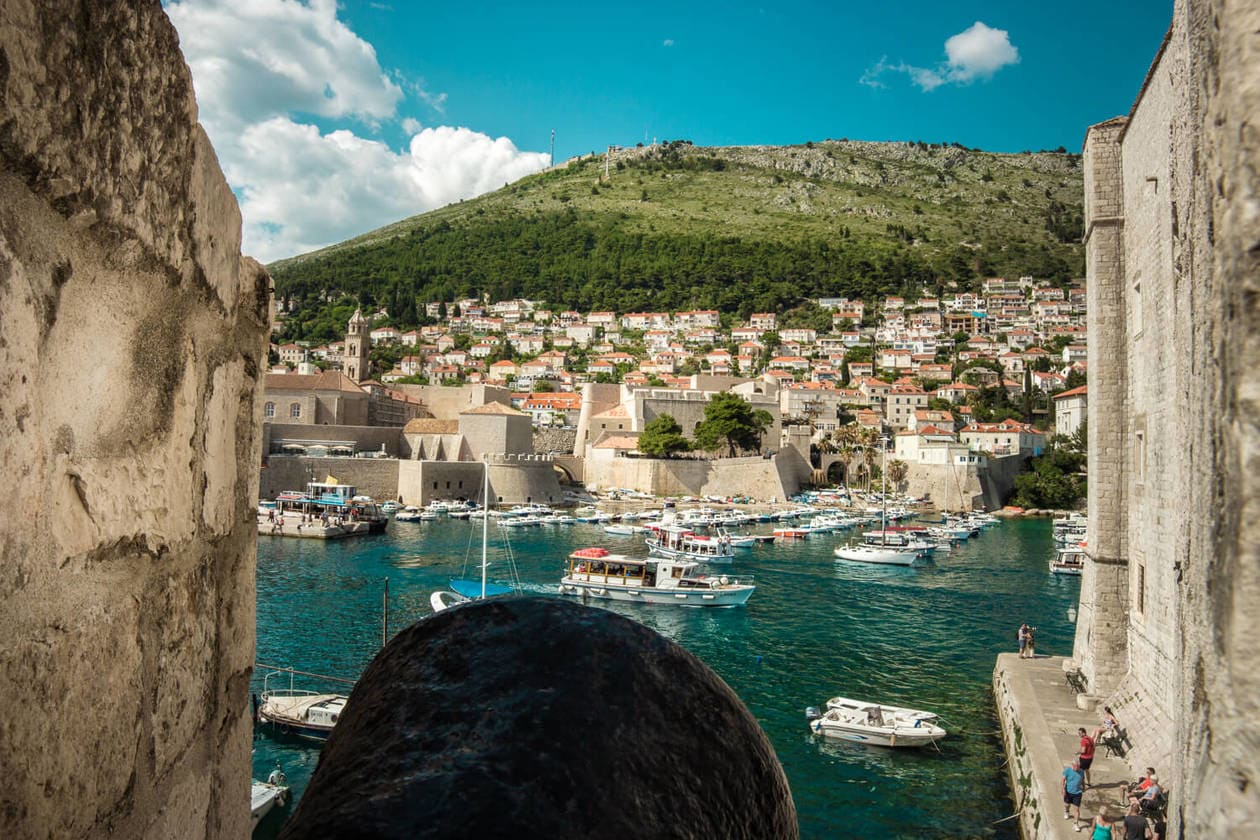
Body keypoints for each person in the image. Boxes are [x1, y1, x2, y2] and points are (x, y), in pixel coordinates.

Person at [1062, 758, 1086, 831]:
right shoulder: (1067, 771)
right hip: (1068, 791)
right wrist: (1063, 789)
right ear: (1072, 765)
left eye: (1078, 766)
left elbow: (1082, 780)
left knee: (1077, 809)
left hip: (1077, 793)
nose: (1077, 768)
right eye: (1076, 766)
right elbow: (1062, 780)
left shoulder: (1081, 772)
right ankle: (1067, 811)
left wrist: (1084, 787)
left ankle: (1075, 824)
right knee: (1067, 805)